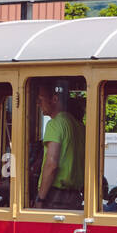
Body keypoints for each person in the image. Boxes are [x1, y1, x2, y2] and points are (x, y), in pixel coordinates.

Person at [35, 82, 84, 210]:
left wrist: (40, 198)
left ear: (54, 99)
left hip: (55, 196)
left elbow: (52, 164)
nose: (38, 104)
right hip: (75, 196)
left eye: (40, 99)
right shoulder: (79, 127)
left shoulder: (55, 124)